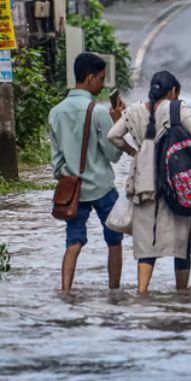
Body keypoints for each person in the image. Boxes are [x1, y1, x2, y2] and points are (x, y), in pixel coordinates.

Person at [108, 71, 191, 295]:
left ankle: (142, 292)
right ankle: (182, 294)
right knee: (181, 243)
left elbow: (113, 135)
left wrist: (134, 151)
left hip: (144, 180)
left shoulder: (132, 111)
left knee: (146, 240)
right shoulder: (177, 109)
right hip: (176, 178)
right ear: (172, 91)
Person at [49, 52, 131, 292]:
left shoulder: (56, 112)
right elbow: (114, 154)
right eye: (102, 79)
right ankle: (114, 292)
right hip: (103, 188)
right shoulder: (97, 113)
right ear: (90, 77)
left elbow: (56, 158)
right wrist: (117, 122)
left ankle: (66, 292)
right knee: (114, 241)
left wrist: (68, 176)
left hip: (72, 190)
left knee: (73, 242)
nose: (103, 84)